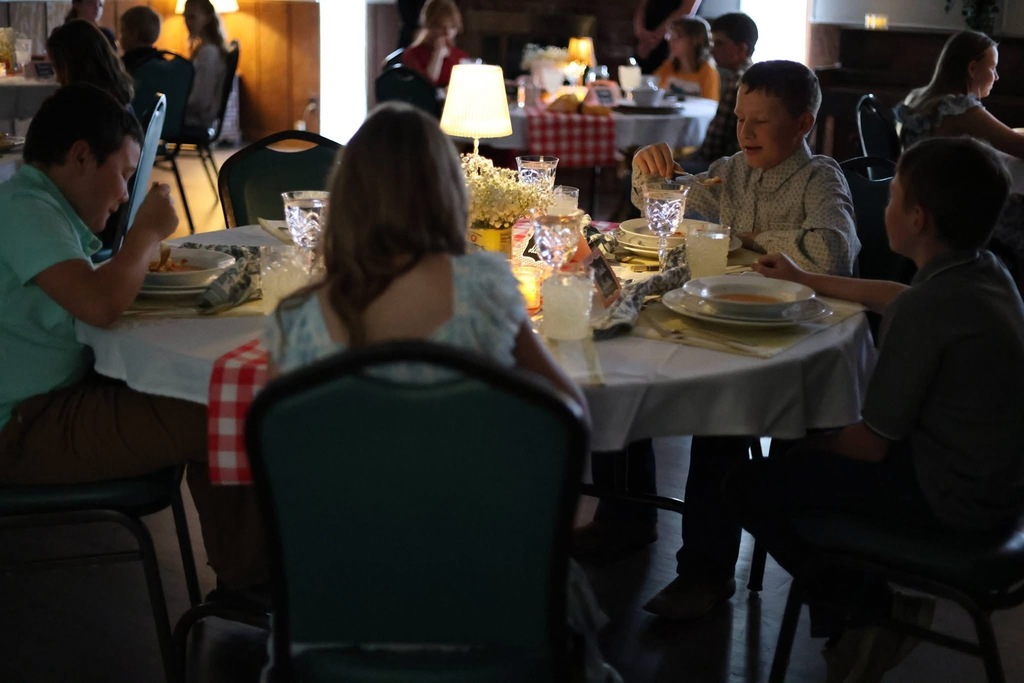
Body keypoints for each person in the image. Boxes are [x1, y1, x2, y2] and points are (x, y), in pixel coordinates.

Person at [264, 101, 618, 682]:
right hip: (486, 601)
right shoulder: (483, 287)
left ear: (346, 199)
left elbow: (288, 470)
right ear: (448, 193)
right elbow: (567, 418)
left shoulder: (294, 318)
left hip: (341, 606)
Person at [726, 136, 1024, 680]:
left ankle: (874, 613)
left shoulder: (930, 309)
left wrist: (797, 432)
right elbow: (896, 296)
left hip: (953, 501)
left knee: (747, 485)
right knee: (798, 455)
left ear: (916, 217)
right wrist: (804, 278)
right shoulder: (982, 272)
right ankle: (861, 621)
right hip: (1001, 485)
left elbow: (870, 443)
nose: (882, 206)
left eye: (892, 197)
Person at [576, 60, 859, 622]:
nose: (746, 132)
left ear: (803, 124)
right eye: (742, 119)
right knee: (621, 352)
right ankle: (625, 517)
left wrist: (742, 236)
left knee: (720, 419)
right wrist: (646, 167)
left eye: (762, 122)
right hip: (715, 316)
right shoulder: (730, 172)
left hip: (781, 331)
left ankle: (704, 571)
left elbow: (832, 253)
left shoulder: (820, 178)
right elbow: (661, 202)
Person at [0, 84, 268, 598]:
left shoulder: (36, 202)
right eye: (123, 175)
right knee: (218, 410)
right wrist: (145, 234)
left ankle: (252, 570)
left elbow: (94, 290)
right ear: (81, 156)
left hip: (50, 402)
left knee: (215, 396)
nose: (126, 194)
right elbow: (100, 304)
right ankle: (250, 585)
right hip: (19, 427)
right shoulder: (23, 209)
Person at [894, 30, 1024, 158]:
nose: (996, 77)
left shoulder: (916, 97)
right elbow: (1019, 146)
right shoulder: (959, 109)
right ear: (972, 69)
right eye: (992, 68)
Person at [681, 12, 758, 172]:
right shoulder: (754, 75)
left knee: (642, 178)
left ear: (741, 49)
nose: (712, 50)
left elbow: (713, 144)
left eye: (719, 43)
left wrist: (685, 162)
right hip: (736, 163)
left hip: (724, 167)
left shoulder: (739, 81)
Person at [47, 19, 134, 109]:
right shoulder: (119, 99)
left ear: (73, 67)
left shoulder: (70, 108)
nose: (58, 78)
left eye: (58, 68)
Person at [182, 0, 229, 130]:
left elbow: (201, 99)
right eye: (185, 17)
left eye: (192, 17)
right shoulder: (203, 49)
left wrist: (175, 103)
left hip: (196, 117)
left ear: (207, 18)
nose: (187, 22)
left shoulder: (209, 53)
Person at [401, 0, 468, 89]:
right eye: (441, 27)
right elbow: (424, 88)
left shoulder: (460, 56)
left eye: (452, 27)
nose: (447, 33)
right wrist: (437, 56)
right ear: (429, 26)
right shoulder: (412, 55)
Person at [652, 16, 718, 101]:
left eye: (677, 37)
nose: (671, 40)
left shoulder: (707, 71)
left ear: (695, 40)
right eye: (671, 36)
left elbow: (710, 104)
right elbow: (652, 88)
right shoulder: (668, 66)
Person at [633, 0, 702, 75]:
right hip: (646, 38)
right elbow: (641, 6)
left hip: (673, 38)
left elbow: (686, 11)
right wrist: (640, 31)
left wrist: (655, 38)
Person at [120, 5, 162, 74]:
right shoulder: (163, 63)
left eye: (123, 31)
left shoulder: (122, 67)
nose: (120, 37)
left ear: (134, 34)